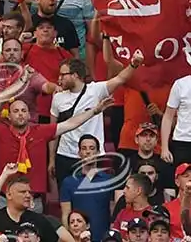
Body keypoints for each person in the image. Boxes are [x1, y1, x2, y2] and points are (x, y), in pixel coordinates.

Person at [51, 54, 144, 185]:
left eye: (63, 75)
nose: (59, 78)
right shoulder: (58, 98)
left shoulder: (95, 90)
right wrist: (51, 159)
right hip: (65, 155)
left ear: (75, 75)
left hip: (93, 155)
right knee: (66, 198)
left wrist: (134, 64)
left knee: (92, 195)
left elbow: (120, 78)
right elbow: (53, 131)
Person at [59, 135, 114, 241]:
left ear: (98, 152)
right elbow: (66, 214)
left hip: (104, 237)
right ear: (79, 153)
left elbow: (112, 211)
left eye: (92, 148)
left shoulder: (108, 180)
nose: (88, 152)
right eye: (84, 148)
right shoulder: (69, 182)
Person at [0, 175, 58, 242]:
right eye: (23, 192)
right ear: (9, 195)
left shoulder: (40, 220)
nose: (28, 195)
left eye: (29, 192)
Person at [162, 74, 191, 165]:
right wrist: (164, 148)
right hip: (182, 141)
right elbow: (168, 117)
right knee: (182, 176)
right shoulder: (181, 84)